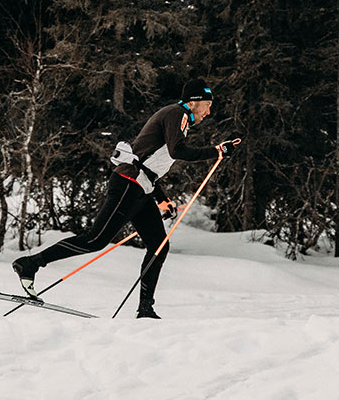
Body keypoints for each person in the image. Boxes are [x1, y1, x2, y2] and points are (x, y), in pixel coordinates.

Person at [12, 79, 239, 318]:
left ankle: (145, 309)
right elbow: (178, 152)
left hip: (141, 187)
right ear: (194, 102)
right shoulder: (177, 113)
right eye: (207, 105)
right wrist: (218, 151)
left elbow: (149, 164)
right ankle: (31, 263)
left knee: (159, 245)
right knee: (95, 240)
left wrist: (162, 199)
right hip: (128, 185)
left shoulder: (178, 118)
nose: (209, 112)